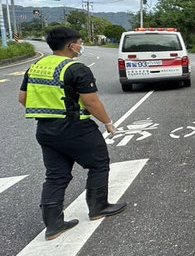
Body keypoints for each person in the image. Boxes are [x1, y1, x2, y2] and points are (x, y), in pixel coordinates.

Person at [18, 27, 127, 240]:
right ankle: (98, 207)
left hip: (46, 130)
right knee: (98, 164)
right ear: (71, 46)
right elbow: (91, 101)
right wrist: (108, 122)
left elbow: (23, 98)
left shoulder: (35, 67)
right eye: (80, 42)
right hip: (76, 128)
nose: (81, 46)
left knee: (56, 175)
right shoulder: (76, 68)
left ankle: (53, 225)